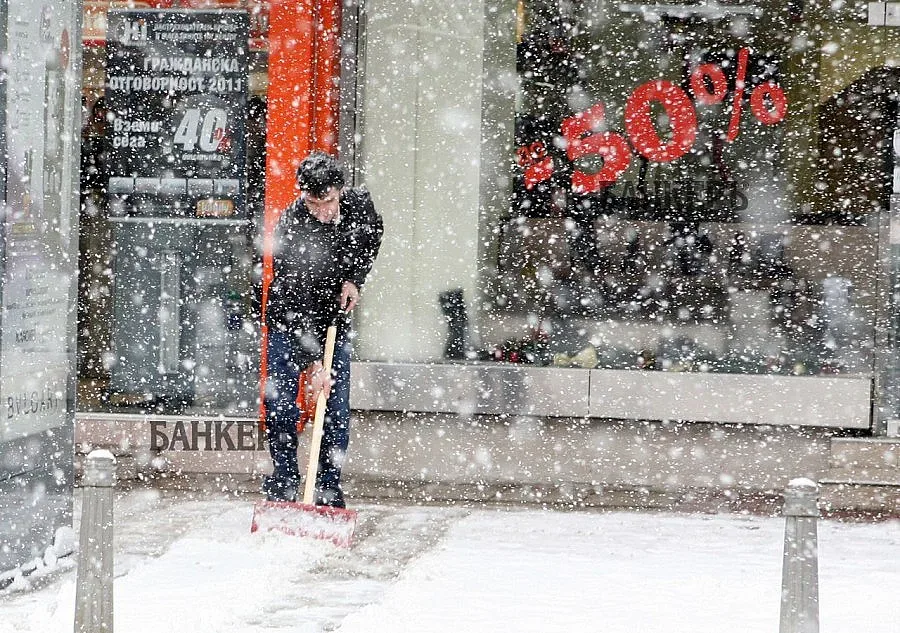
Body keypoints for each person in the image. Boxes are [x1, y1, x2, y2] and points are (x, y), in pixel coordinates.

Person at [262, 151, 383, 507]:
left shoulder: (360, 207)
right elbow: (296, 296)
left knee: (335, 411)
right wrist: (315, 362)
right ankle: (284, 485)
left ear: (340, 191)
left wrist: (354, 279)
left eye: (326, 201)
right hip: (291, 321)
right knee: (282, 408)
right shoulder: (293, 225)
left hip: (333, 320)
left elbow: (372, 238)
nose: (320, 211)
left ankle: (328, 490)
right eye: (312, 202)